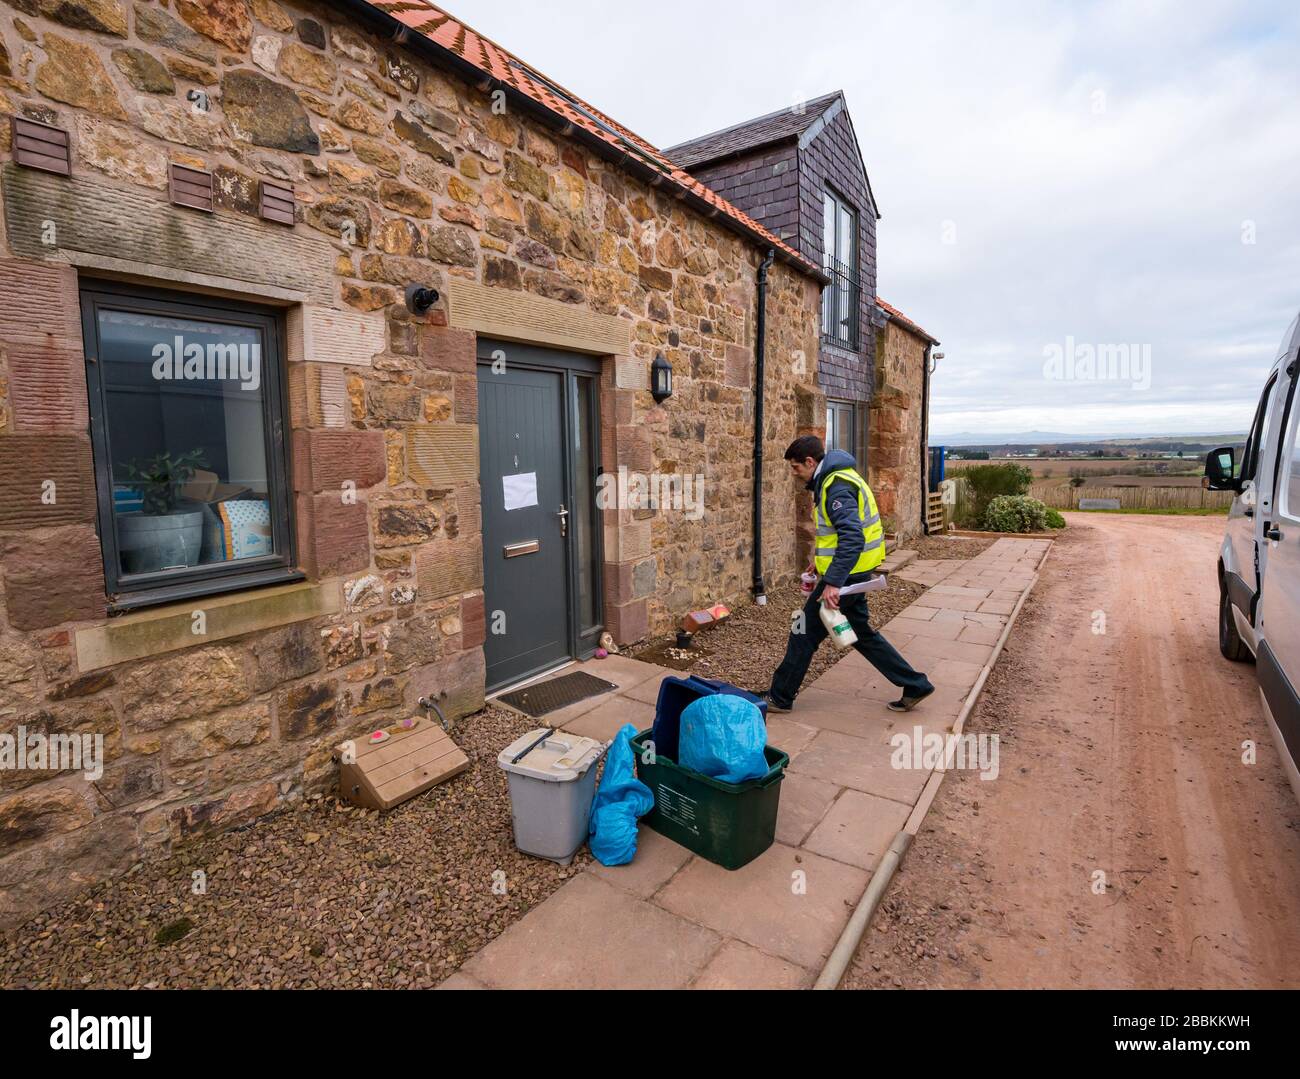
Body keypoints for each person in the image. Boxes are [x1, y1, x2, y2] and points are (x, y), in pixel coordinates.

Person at [767, 435, 935, 714]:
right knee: (861, 635)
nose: (794, 474)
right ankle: (915, 684)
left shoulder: (837, 485)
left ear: (810, 462)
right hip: (853, 572)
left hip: (846, 578)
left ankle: (780, 698)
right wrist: (820, 564)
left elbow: (851, 537)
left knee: (803, 633)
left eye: (796, 467)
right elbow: (836, 535)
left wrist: (832, 581)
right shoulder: (840, 477)